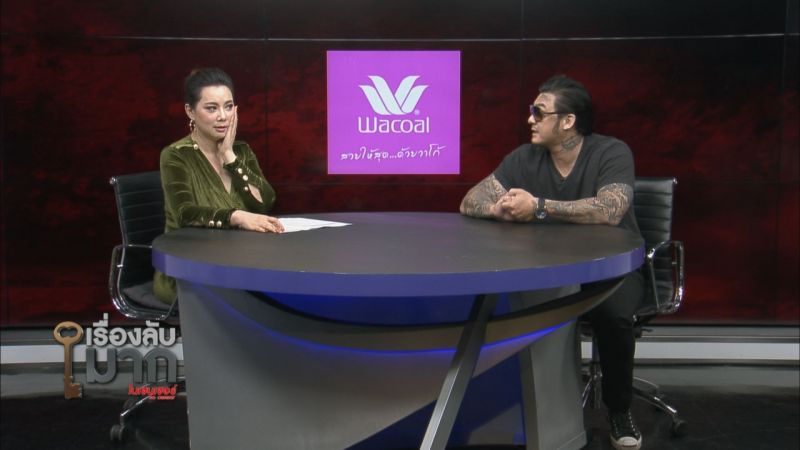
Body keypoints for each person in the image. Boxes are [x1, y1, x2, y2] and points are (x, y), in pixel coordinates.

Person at [459, 74, 644, 450]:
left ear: (568, 121)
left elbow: (610, 209)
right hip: (549, 271)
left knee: (614, 317)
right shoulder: (524, 158)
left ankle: (619, 409)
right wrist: (496, 209)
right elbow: (469, 200)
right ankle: (534, 411)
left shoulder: (611, 152)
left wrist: (539, 207)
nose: (530, 119)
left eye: (539, 112)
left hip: (609, 270)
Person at [154, 67, 284, 304]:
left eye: (228, 106)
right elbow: (185, 213)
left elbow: (265, 203)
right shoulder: (176, 155)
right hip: (189, 270)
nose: (223, 116)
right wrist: (236, 216)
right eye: (212, 108)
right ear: (190, 111)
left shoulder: (241, 151)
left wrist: (229, 157)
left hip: (240, 262)